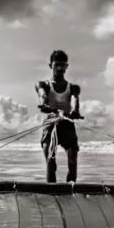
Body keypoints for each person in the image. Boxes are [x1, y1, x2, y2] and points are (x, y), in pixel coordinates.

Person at [35, 50, 83, 183]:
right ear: (51, 65)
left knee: (72, 163)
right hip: (50, 124)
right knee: (51, 163)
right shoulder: (43, 84)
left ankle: (71, 192)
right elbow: (42, 95)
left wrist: (75, 110)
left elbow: (74, 99)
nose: (60, 68)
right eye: (57, 65)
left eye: (63, 65)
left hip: (67, 124)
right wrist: (43, 104)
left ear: (67, 66)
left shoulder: (73, 87)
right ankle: (52, 196)